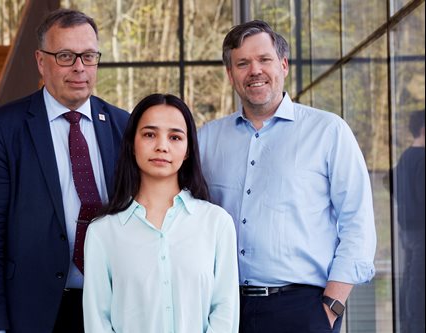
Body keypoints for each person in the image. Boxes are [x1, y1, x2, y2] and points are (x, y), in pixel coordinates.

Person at [198, 20, 377, 333]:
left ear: (283, 65)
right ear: (230, 74)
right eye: (242, 63)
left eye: (264, 59)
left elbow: (358, 222)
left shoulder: (328, 131)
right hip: (225, 310)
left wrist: (331, 306)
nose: (254, 70)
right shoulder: (207, 140)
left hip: (303, 310)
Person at [0, 8, 129, 333]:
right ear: (41, 61)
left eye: (89, 56)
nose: (79, 67)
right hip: (32, 312)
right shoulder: (3, 128)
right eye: (65, 55)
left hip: (111, 309)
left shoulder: (124, 126)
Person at [82, 93, 240, 333]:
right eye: (149, 134)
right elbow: (97, 321)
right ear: (132, 144)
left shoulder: (217, 223)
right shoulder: (102, 231)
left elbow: (225, 312)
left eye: (175, 137)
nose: (162, 146)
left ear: (187, 150)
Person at [394, 110, 425, 333]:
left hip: (407, 230)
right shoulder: (423, 158)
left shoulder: (405, 157)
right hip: (421, 231)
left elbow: (391, 182)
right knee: (419, 283)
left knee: (410, 278)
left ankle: (407, 325)